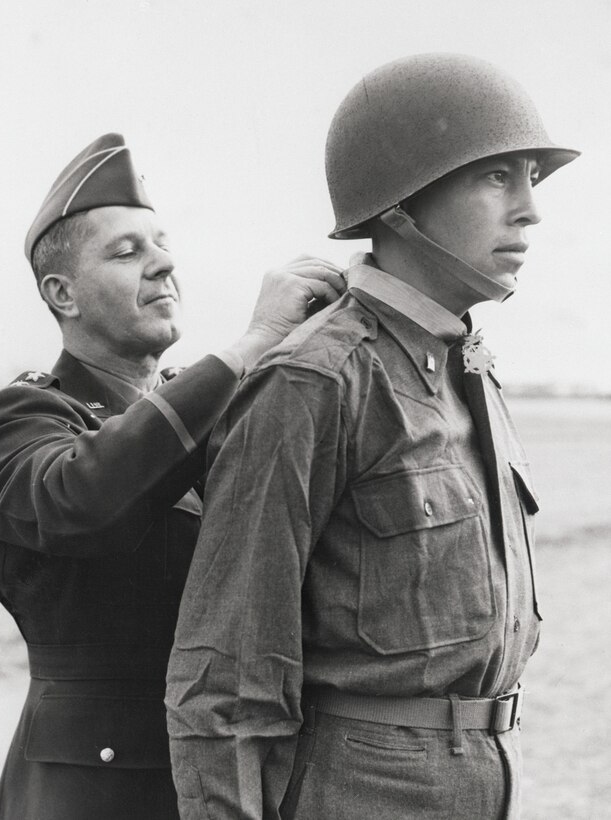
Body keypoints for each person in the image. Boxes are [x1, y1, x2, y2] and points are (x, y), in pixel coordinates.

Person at [166, 53, 579, 819]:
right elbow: (222, 678)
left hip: (484, 778)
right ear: (398, 207)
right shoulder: (315, 380)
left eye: (530, 177)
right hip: (359, 790)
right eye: (496, 177)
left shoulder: (465, 364)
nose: (528, 209)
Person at [0, 132, 344, 820]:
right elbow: (85, 498)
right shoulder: (16, 420)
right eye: (127, 251)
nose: (163, 263)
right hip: (94, 790)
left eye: (161, 244)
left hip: (227, 775)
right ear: (62, 294)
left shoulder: (203, 417)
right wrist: (251, 345)